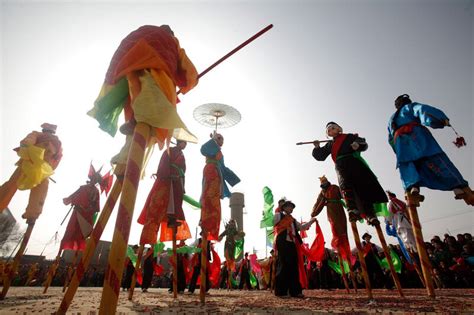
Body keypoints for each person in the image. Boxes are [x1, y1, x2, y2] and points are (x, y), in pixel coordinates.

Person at [87, 25, 199, 146]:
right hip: (156, 70)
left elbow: (126, 44)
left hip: (130, 67)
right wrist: (190, 82)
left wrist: (115, 72)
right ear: (171, 33)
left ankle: (129, 119)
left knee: (135, 89)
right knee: (149, 95)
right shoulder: (172, 41)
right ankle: (138, 120)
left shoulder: (145, 30)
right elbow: (187, 68)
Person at [388, 94, 473, 206]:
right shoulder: (409, 107)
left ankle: (413, 188)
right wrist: (441, 119)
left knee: (409, 166)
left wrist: (398, 151)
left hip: (401, 145)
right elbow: (423, 110)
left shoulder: (391, 120)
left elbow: (390, 140)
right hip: (417, 137)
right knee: (437, 161)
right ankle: (459, 187)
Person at [312, 122, 388, 225]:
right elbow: (321, 156)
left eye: (333, 128)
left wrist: (357, 145)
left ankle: (370, 215)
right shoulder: (330, 144)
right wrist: (317, 147)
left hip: (354, 162)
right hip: (340, 166)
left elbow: (362, 143)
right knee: (345, 186)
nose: (331, 131)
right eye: (328, 130)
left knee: (362, 187)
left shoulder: (349, 137)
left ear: (339, 129)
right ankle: (352, 210)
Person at [0, 123, 62, 221]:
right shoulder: (57, 143)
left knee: (13, 184)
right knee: (40, 187)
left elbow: (28, 141)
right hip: (39, 167)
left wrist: (25, 147)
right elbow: (57, 159)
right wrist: (50, 168)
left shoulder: (41, 136)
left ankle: (32, 213)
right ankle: (32, 213)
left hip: (31, 164)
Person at [138, 140, 190, 245]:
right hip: (168, 179)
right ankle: (149, 237)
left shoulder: (182, 155)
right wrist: (167, 175)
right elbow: (163, 163)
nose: (185, 145)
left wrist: (181, 182)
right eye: (183, 142)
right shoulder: (169, 150)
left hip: (177, 181)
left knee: (175, 203)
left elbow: (183, 170)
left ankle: (172, 219)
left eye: (186, 143)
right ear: (179, 142)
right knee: (161, 203)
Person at [60, 165, 111, 251]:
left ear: (97, 181)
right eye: (93, 178)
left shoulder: (96, 192)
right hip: (77, 212)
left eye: (96, 179)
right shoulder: (83, 187)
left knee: (80, 234)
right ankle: (61, 251)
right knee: (70, 230)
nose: (94, 180)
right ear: (91, 177)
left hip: (86, 215)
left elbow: (96, 207)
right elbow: (74, 195)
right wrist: (69, 200)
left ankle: (75, 254)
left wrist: (87, 209)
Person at [200, 132, 240, 240]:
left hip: (217, 175)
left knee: (215, 201)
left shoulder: (220, 154)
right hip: (210, 171)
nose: (221, 140)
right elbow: (203, 150)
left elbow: (223, 168)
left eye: (222, 139)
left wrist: (233, 178)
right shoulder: (210, 146)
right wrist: (212, 141)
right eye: (219, 138)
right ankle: (203, 221)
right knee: (207, 196)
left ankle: (211, 227)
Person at [273, 201, 317, 298]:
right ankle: (281, 291)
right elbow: (271, 222)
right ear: (284, 207)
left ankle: (295, 291)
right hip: (282, 241)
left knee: (293, 266)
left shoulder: (293, 220)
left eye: (292, 207)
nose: (291, 209)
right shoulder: (278, 215)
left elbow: (301, 227)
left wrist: (311, 221)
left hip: (292, 243)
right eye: (290, 207)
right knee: (283, 265)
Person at [311, 176, 351, 261]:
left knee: (343, 227)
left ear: (327, 181)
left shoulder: (334, 187)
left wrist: (350, 202)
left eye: (325, 181)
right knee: (335, 227)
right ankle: (339, 245)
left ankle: (346, 248)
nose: (324, 183)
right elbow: (318, 203)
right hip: (330, 211)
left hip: (339, 208)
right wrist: (314, 212)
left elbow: (343, 194)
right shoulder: (322, 192)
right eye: (322, 182)